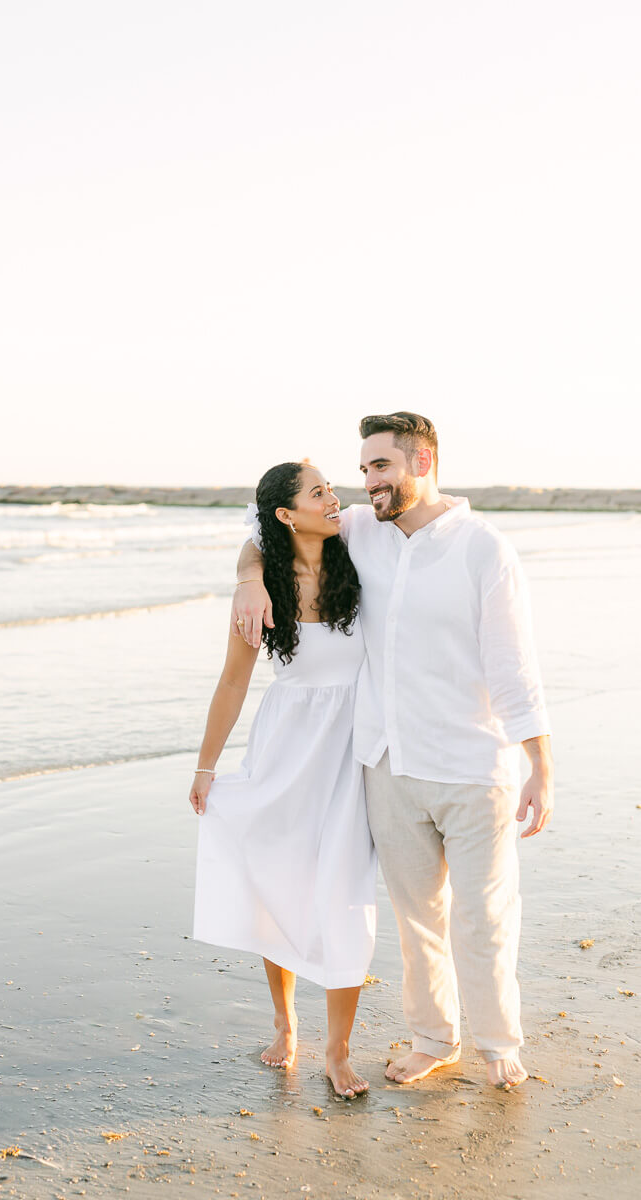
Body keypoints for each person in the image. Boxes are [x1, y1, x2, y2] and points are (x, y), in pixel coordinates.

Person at [233, 413, 553, 1091]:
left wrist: (539, 765)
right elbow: (267, 524)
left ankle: (497, 1044)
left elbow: (513, 665)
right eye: (364, 468)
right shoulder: (362, 532)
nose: (367, 481)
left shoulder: (482, 548)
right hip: (388, 766)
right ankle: (435, 1036)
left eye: (381, 466)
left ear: (423, 460)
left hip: (473, 765)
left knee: (485, 916)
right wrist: (248, 579)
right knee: (417, 920)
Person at [191, 461, 378, 1098]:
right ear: (286, 514)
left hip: (353, 752)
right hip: (285, 750)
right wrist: (206, 765)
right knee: (280, 885)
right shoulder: (264, 587)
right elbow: (233, 681)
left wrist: (243, 568)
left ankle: (340, 1049)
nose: (334, 498)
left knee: (347, 894)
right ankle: (285, 1023)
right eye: (318, 492)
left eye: (331, 487)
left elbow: (252, 536)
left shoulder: (356, 542)